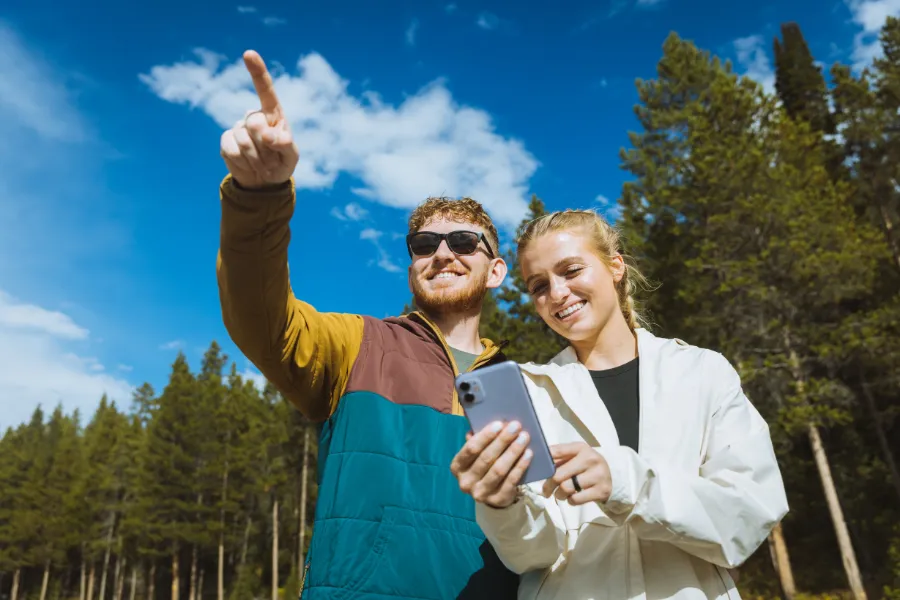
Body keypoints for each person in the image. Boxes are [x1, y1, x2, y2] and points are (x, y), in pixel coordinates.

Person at [217, 50, 520, 599]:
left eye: (464, 242)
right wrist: (258, 199)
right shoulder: (356, 344)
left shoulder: (522, 388)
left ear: (496, 269)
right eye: (425, 244)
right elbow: (260, 317)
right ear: (411, 262)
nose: (443, 254)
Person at [450, 209, 789, 599]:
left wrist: (624, 483)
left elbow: (746, 519)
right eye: (538, 285)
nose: (557, 294)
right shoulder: (531, 392)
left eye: (572, 270)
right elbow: (530, 556)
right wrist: (503, 504)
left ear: (615, 266)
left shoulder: (702, 372)